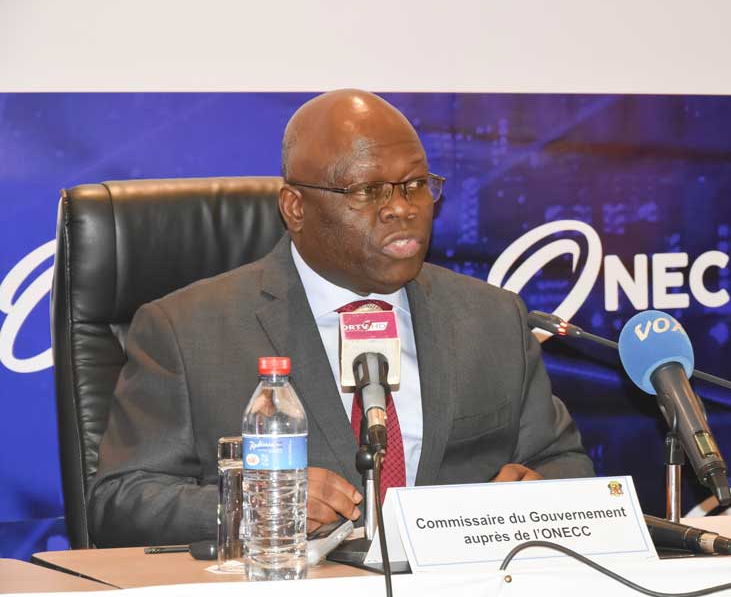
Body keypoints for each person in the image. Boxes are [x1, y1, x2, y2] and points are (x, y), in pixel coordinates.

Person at [88, 89, 594, 547]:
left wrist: (539, 495)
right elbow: (119, 502)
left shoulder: (492, 318)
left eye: (415, 184)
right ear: (295, 207)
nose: (402, 209)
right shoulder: (186, 330)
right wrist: (260, 504)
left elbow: (561, 462)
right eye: (367, 191)